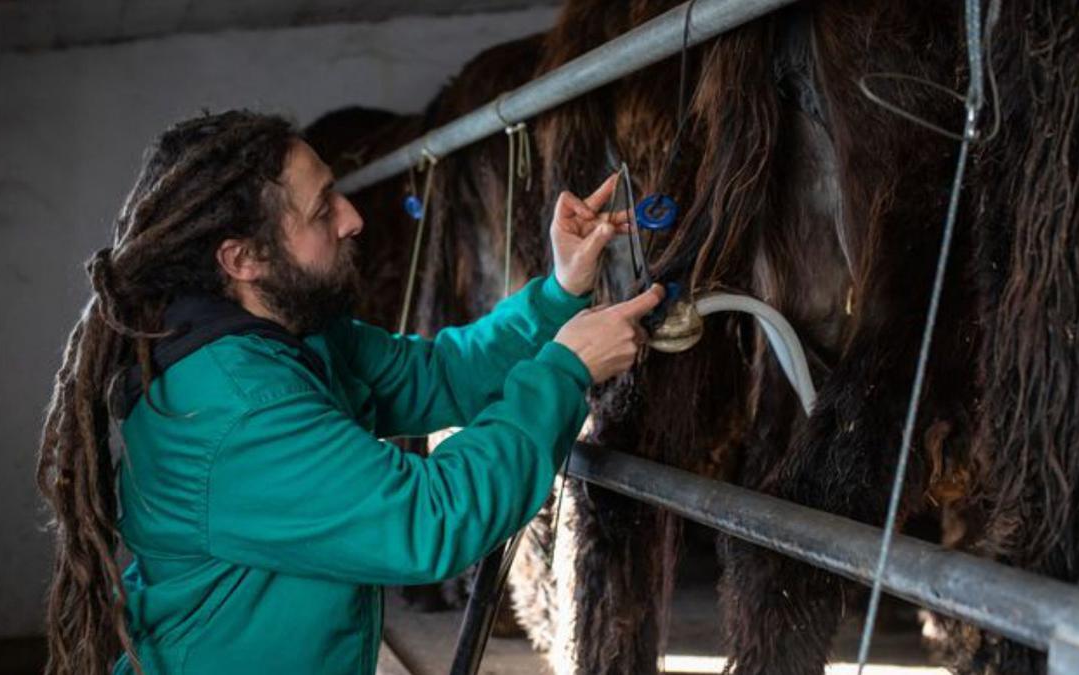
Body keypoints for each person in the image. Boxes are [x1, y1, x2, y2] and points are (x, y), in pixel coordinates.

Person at [36, 110, 663, 675]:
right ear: (242, 257)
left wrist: (558, 292)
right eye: (322, 208)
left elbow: (441, 373)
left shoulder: (294, 338)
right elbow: (430, 519)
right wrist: (563, 371)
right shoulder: (237, 409)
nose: (354, 219)